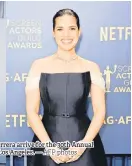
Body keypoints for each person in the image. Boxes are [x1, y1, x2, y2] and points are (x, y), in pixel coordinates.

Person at [25, 9, 107, 166]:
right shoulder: (38, 66)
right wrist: (50, 148)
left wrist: (82, 146)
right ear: (53, 32)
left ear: (79, 31)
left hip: (85, 145)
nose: (66, 35)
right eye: (60, 29)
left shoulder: (92, 67)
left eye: (72, 28)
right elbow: (31, 113)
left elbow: (100, 112)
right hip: (47, 144)